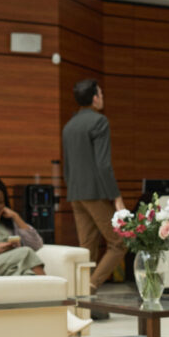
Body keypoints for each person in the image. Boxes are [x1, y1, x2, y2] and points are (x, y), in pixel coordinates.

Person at [62, 78, 126, 297]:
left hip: (75, 193)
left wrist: (72, 190)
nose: (102, 98)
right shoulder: (99, 122)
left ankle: (79, 294)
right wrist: (116, 197)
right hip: (95, 193)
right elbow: (103, 164)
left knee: (86, 248)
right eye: (101, 94)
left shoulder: (69, 125)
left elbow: (67, 164)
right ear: (94, 97)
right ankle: (90, 288)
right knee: (118, 243)